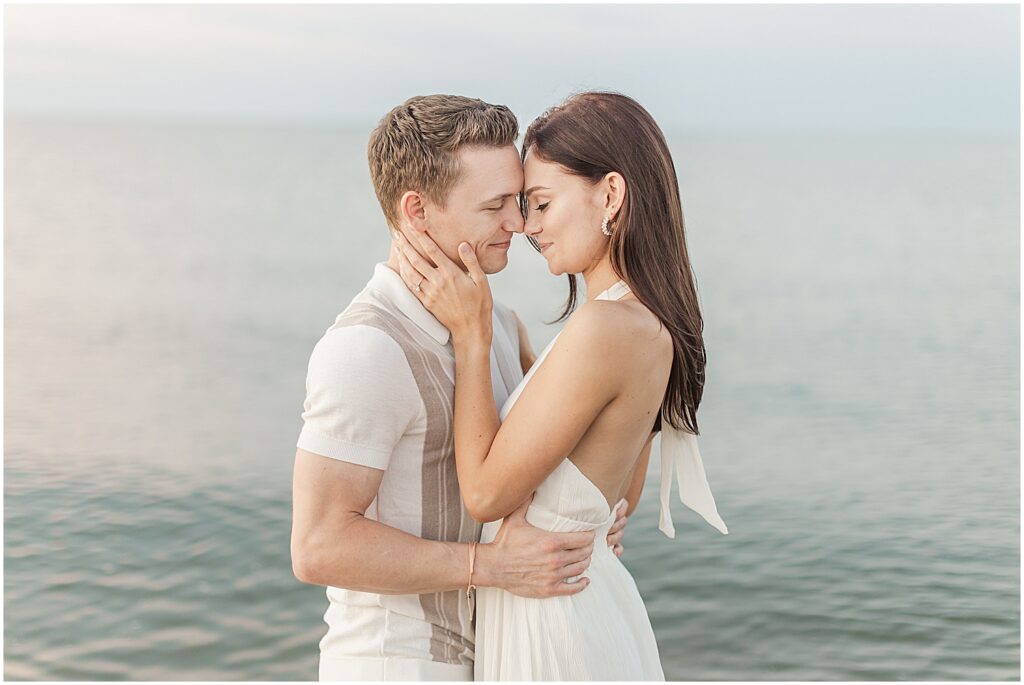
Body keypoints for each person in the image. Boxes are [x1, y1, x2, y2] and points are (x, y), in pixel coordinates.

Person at [289, 94, 631, 682]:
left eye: (520, 202)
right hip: (396, 663)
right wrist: (490, 567)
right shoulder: (366, 349)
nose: (519, 224)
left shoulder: (498, 323)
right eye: (496, 205)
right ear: (418, 211)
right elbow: (318, 545)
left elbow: (529, 468)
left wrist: (588, 515)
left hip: (494, 657)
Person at [392, 91, 730, 681]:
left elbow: (486, 495)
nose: (527, 226)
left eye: (542, 204)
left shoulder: (605, 327)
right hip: (582, 606)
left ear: (611, 194)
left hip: (554, 630)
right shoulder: (644, 322)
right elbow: (617, 495)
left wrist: (473, 336)